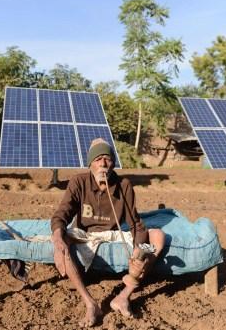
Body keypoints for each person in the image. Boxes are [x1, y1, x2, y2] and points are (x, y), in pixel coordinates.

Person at [51, 138, 166, 327]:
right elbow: (60, 216)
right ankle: (90, 304)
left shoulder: (124, 185)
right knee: (61, 238)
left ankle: (123, 296)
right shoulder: (79, 182)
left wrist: (138, 251)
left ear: (113, 162)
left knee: (157, 237)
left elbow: (136, 224)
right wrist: (57, 240)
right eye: (98, 159)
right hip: (85, 234)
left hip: (114, 234)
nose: (103, 164)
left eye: (107, 159)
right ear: (90, 163)